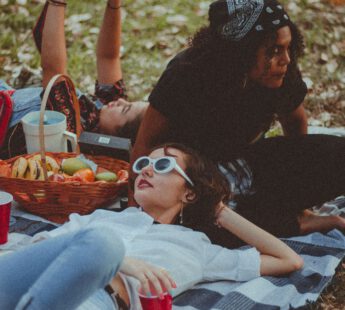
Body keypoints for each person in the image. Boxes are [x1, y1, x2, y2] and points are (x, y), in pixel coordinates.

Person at [128, 0, 345, 241]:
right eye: (273, 51)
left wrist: (301, 178)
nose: (285, 60)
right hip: (194, 180)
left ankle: (289, 217)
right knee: (206, 225)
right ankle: (293, 223)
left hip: (246, 166)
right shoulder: (186, 74)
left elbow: (296, 129)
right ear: (241, 53)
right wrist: (133, 217)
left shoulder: (282, 70)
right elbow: (145, 145)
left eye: (288, 47)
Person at [0, 143, 303, 309]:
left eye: (163, 165)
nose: (146, 168)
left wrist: (219, 210)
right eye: (145, 162)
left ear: (190, 192)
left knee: (103, 244)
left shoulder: (197, 247)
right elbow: (40, 249)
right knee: (102, 243)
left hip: (90, 300)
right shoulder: (102, 218)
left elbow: (288, 260)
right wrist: (121, 262)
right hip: (27, 281)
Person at [0, 0, 148, 159]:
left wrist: (58, 3)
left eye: (125, 109)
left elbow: (53, 69)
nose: (121, 101)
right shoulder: (105, 110)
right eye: (129, 103)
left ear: (118, 140)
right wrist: (114, 4)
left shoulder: (72, 130)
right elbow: (108, 57)